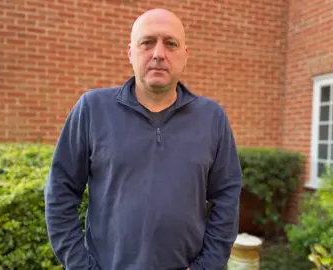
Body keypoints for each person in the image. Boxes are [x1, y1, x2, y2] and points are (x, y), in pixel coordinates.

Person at [44, 8, 243, 270]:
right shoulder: (93, 109)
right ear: (130, 52)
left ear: (185, 56)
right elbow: (60, 191)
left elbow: (227, 197)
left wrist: (206, 266)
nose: (159, 53)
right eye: (147, 42)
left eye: (170, 44)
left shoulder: (211, 118)